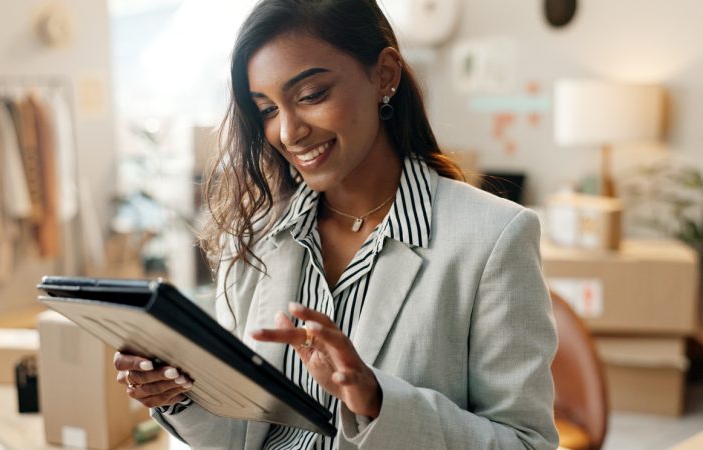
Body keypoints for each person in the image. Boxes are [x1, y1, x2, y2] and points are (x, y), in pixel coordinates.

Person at [114, 0, 559, 448]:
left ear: (385, 74)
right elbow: (240, 436)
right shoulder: (253, 236)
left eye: (310, 96)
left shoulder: (494, 237)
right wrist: (178, 395)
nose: (288, 132)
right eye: (267, 109)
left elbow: (527, 443)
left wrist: (377, 401)